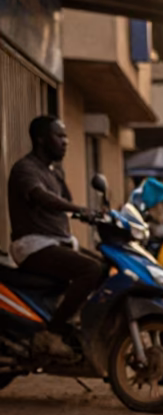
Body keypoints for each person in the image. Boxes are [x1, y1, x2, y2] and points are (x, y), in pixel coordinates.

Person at [5, 116, 102, 360]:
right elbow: (41, 196)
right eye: (59, 136)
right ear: (40, 139)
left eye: (66, 136)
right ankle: (53, 332)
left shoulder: (54, 172)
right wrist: (79, 209)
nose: (65, 142)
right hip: (34, 245)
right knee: (90, 270)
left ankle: (78, 328)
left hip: (56, 243)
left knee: (107, 267)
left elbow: (64, 202)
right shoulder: (25, 169)